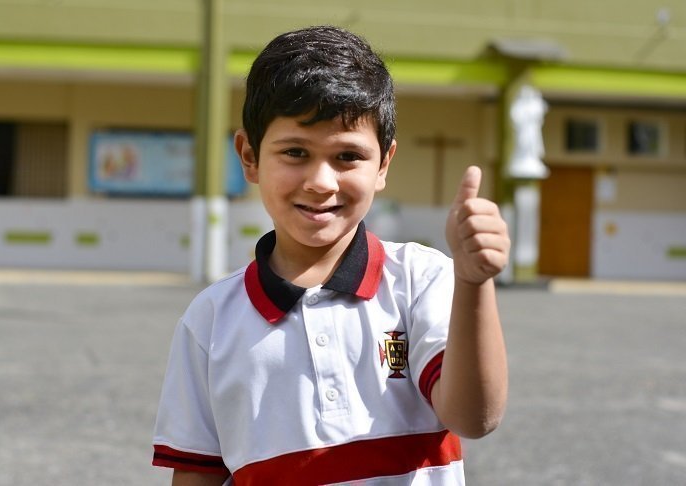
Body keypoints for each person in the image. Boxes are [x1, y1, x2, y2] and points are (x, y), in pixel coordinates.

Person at [152, 25, 510, 486]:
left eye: (347, 157)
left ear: (383, 163)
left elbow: (474, 418)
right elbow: (195, 474)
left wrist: (474, 281)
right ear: (249, 156)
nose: (322, 182)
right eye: (296, 152)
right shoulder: (211, 321)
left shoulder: (423, 281)